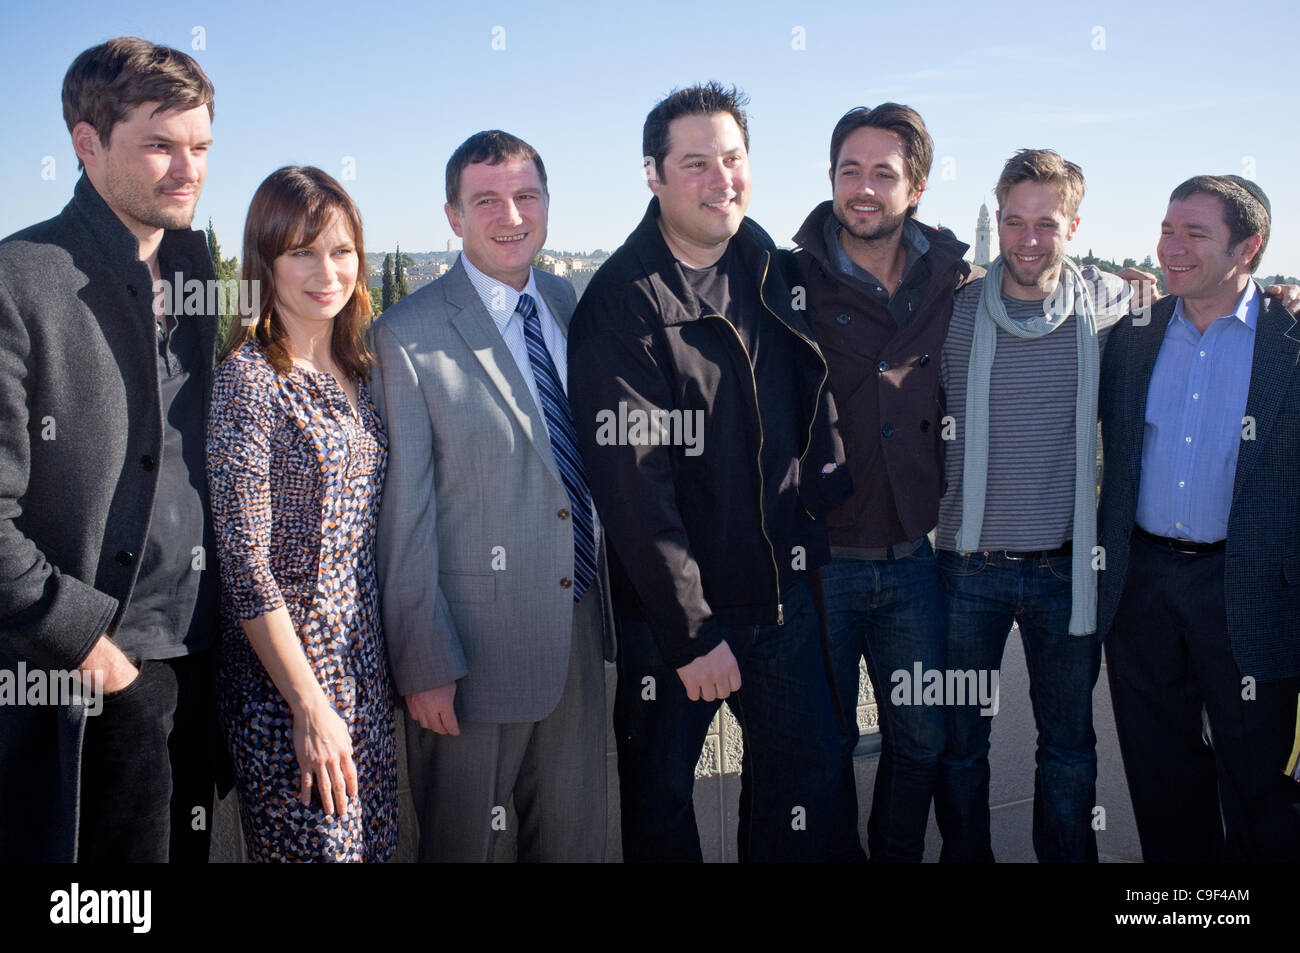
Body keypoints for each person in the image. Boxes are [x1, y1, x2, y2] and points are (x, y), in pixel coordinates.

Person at [568, 82, 854, 862]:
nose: (720, 178)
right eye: (695, 163)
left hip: (782, 597)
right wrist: (693, 634)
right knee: (660, 807)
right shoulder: (620, 305)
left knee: (804, 792)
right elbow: (633, 492)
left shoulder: (772, 267)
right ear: (653, 176)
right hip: (675, 626)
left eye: (732, 158)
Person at [0, 37, 224, 863]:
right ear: (87, 144)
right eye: (160, 145)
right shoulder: (17, 279)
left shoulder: (197, 265)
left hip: (201, 659)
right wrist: (90, 648)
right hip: (88, 677)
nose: (187, 168)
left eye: (200, 146)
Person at [370, 130, 613, 862]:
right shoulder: (406, 335)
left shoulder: (571, 303)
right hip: (469, 659)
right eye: (487, 201)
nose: (511, 215)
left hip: (581, 631)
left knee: (575, 843)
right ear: (453, 216)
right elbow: (403, 522)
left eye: (526, 196)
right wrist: (425, 665)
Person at [933, 149, 1134, 863]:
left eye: (1044, 223)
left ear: (1073, 225)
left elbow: (1192, 300)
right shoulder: (953, 309)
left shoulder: (1112, 306)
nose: (1025, 239)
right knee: (958, 749)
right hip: (965, 569)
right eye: (1012, 220)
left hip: (1066, 570)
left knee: (1070, 748)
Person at [791, 103, 978, 862]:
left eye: (883, 173)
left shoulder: (951, 280)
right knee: (823, 744)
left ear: (918, 186)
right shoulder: (786, 277)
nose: (863, 188)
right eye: (849, 171)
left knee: (923, 737)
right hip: (823, 562)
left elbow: (1041, 294)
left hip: (911, 561)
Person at [1098, 174, 1300, 861]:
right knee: (1161, 776)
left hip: (1250, 593)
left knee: (1262, 786)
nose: (1171, 248)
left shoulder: (1291, 342)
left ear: (1250, 246)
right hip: (1143, 586)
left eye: (1194, 233)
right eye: (1167, 229)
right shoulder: (1134, 338)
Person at [206, 166, 397, 862]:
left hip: (364, 673)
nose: (327, 270)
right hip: (287, 690)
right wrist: (308, 707)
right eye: (302, 252)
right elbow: (245, 565)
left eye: (342, 250)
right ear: (265, 262)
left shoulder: (358, 369)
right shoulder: (248, 382)